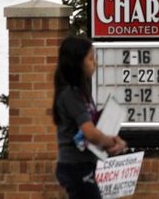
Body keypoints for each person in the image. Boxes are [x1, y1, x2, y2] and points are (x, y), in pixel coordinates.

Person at [53, 36, 127, 199]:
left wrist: (114, 140)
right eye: (91, 58)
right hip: (75, 166)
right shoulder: (70, 94)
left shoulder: (81, 93)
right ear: (77, 62)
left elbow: (94, 127)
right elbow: (90, 133)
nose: (95, 63)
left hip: (84, 165)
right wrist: (112, 142)